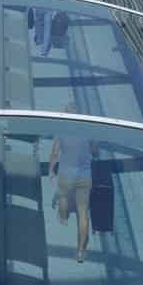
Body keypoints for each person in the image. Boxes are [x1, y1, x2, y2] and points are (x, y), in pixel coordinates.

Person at [48, 110, 96, 263]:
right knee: (83, 213)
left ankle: (63, 218)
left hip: (66, 175)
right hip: (84, 177)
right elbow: (95, 152)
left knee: (63, 196)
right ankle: (81, 251)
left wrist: (51, 170)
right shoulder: (88, 130)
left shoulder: (62, 130)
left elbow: (55, 153)